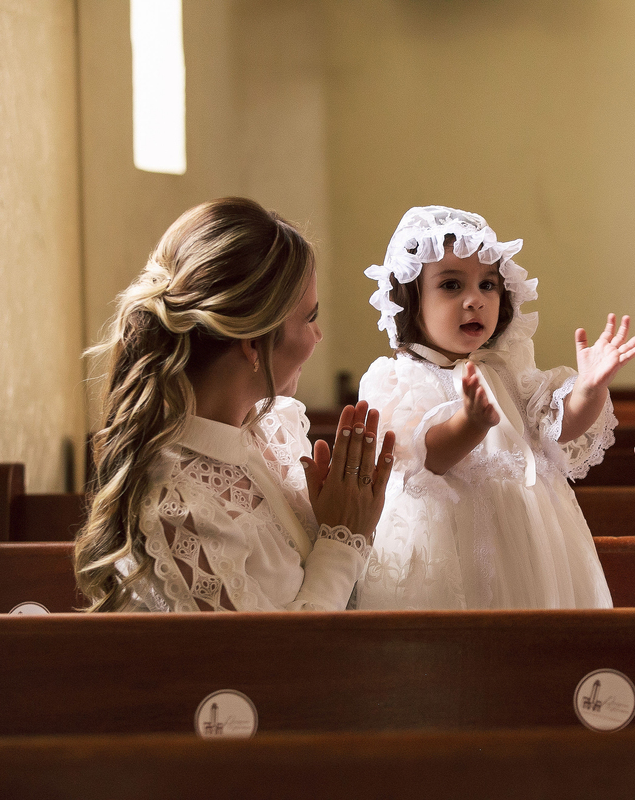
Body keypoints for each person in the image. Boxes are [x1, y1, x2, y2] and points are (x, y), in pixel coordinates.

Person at [74, 197, 395, 612]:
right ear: (253, 344)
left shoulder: (275, 428)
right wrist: (341, 541)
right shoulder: (178, 509)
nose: (318, 337)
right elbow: (268, 665)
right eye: (309, 318)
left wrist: (350, 517)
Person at [354, 205, 635, 609]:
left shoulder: (508, 370)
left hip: (530, 544)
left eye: (488, 285)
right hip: (452, 547)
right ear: (410, 300)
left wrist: (590, 390)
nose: (475, 300)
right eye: (452, 285)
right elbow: (430, 457)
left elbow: (559, 428)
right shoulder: (399, 379)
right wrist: (471, 423)